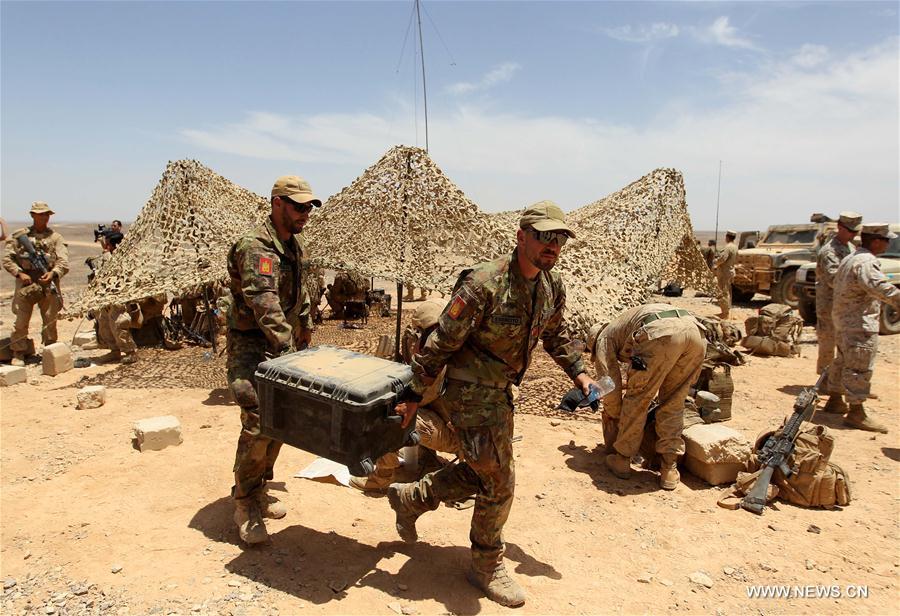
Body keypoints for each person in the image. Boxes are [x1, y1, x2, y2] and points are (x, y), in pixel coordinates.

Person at [386, 201, 597, 607]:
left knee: (484, 472)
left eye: (559, 239)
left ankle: (412, 498)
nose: (552, 246)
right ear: (521, 237)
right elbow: (440, 342)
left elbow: (556, 337)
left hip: (501, 394)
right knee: (501, 479)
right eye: (544, 237)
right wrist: (412, 396)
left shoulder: (550, 287)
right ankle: (486, 563)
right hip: (468, 393)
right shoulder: (484, 283)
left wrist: (581, 374)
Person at [226, 175, 319, 544]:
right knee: (257, 420)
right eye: (298, 206)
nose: (305, 214)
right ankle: (245, 502)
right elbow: (264, 305)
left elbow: (302, 291)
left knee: (281, 420)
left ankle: (261, 486)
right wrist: (288, 353)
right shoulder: (256, 246)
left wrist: (307, 325)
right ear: (277, 203)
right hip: (253, 346)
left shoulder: (293, 246)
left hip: (284, 346)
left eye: (309, 207)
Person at [587, 304, 706, 490]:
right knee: (674, 402)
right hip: (696, 333)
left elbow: (609, 386)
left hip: (661, 333)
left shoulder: (604, 338)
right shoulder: (624, 324)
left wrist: (614, 417)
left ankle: (622, 459)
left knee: (638, 398)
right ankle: (669, 468)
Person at [349, 299, 459, 492]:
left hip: (459, 437)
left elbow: (415, 398)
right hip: (448, 425)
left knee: (394, 416)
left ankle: (383, 476)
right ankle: (426, 460)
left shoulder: (438, 360)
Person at [831, 223, 900, 433]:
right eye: (887, 240)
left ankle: (834, 400)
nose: (889, 243)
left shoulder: (851, 257)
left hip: (844, 321)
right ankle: (856, 413)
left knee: (843, 362)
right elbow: (878, 286)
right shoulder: (866, 261)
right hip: (858, 324)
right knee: (858, 368)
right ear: (876, 241)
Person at [2, 202, 69, 366]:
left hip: (47, 284)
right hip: (26, 284)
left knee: (50, 319)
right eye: (40, 214)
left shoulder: (55, 238)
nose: (44, 217)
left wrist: (53, 273)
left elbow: (63, 262)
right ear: (32, 215)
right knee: (21, 320)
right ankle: (18, 352)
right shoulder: (20, 237)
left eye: (46, 214)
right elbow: (7, 259)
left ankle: (50, 351)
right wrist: (20, 273)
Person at [816, 212, 862, 414]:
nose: (853, 235)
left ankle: (839, 385)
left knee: (842, 348)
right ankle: (826, 382)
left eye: (855, 231)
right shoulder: (830, 252)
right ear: (841, 227)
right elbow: (834, 279)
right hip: (829, 307)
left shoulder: (850, 249)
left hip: (844, 307)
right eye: (850, 230)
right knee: (828, 346)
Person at [712, 230, 738, 319]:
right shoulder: (735, 247)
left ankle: (725, 314)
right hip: (730, 271)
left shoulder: (728, 247)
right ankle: (727, 312)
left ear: (727, 237)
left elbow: (723, 258)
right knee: (728, 292)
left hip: (724, 273)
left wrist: (715, 261)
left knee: (723, 292)